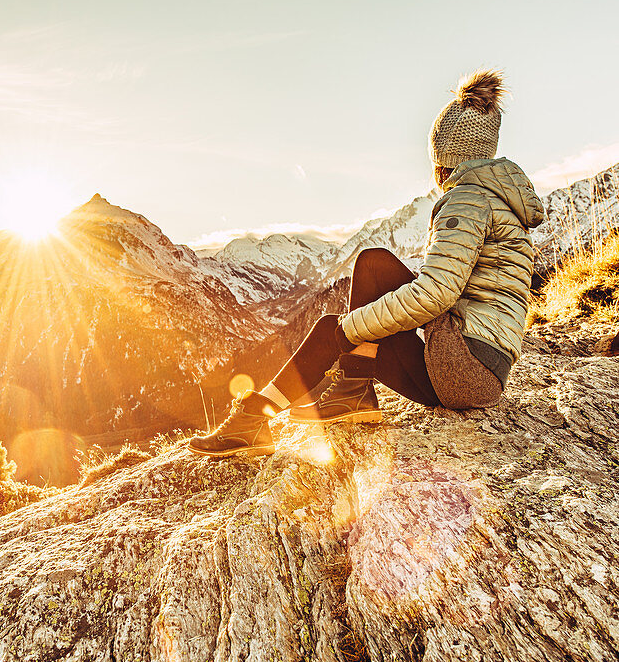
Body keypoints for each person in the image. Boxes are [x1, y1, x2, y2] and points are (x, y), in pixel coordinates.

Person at [190, 68, 544, 458]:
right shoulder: (500, 201)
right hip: (483, 370)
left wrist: (349, 333)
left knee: (341, 316)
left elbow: (435, 294)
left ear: (445, 160)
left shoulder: (467, 201)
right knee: (369, 275)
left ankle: (259, 416)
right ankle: (348, 391)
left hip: (465, 367)